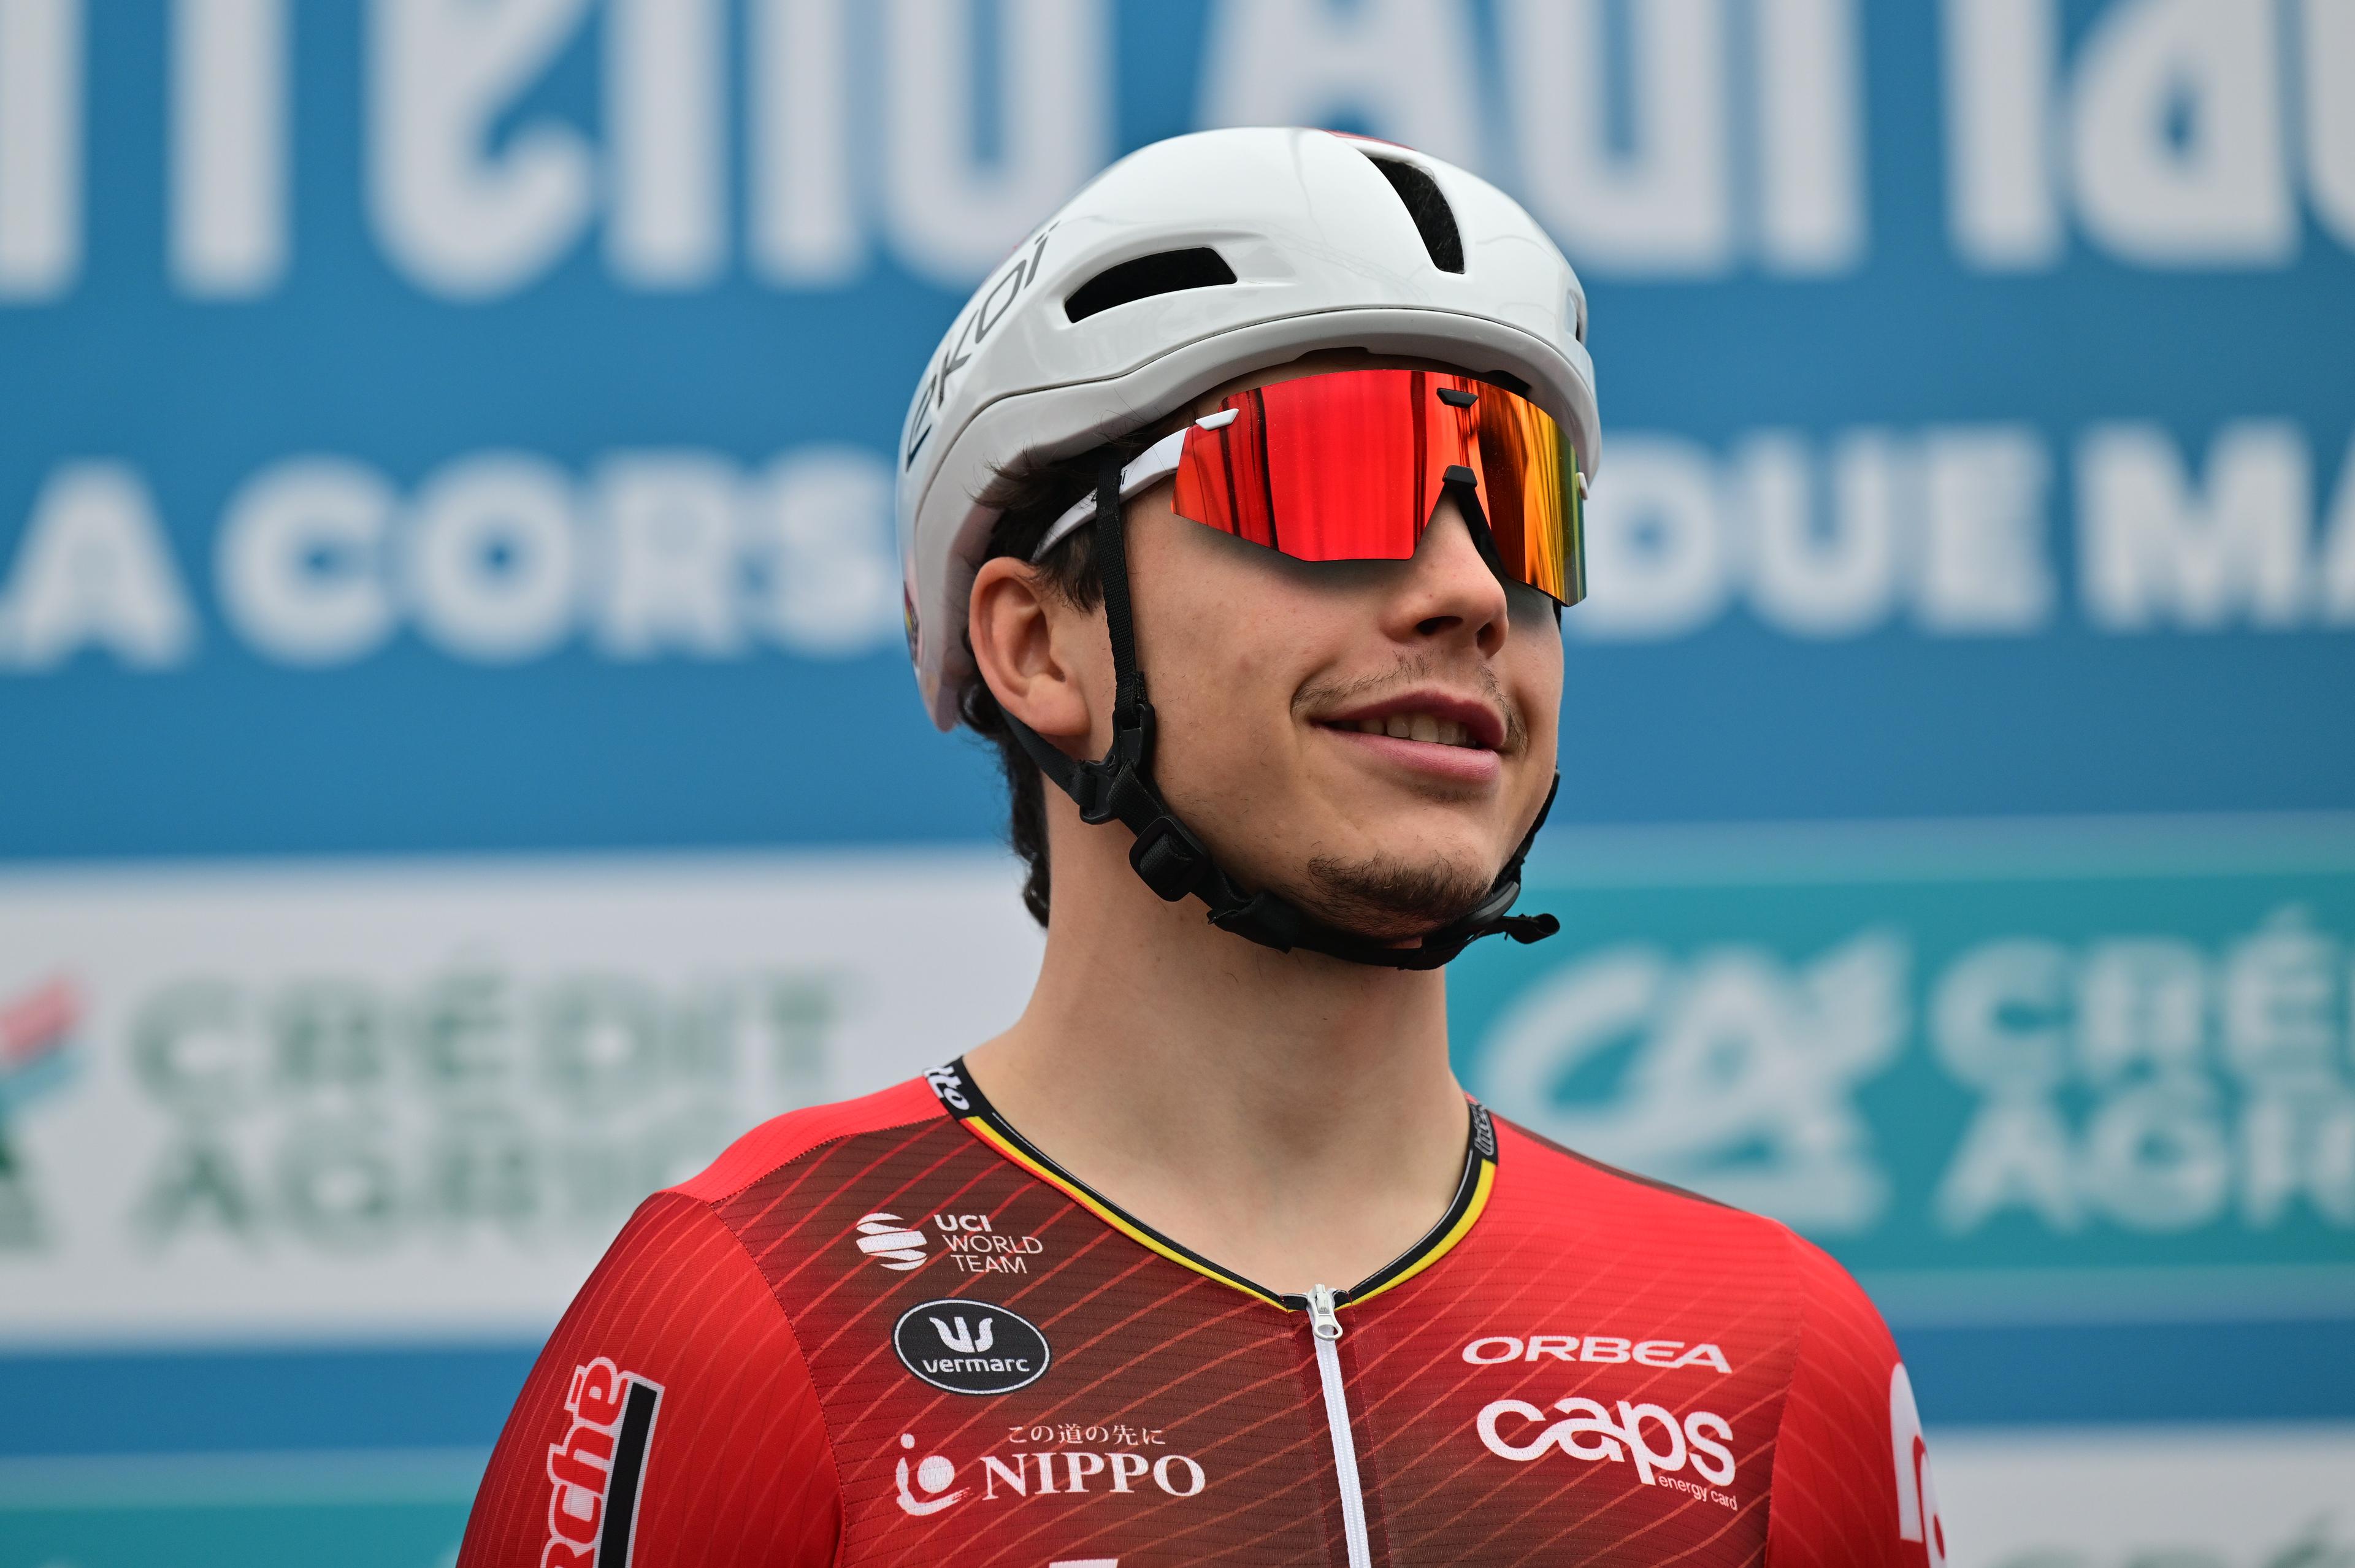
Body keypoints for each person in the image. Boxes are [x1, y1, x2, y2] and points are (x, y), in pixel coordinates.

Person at [456, 128, 1945, 1568]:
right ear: (1040, 646)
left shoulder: (1775, 1356)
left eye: (1515, 505)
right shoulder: (759, 1307)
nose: (1468, 591)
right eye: (1331, 478)